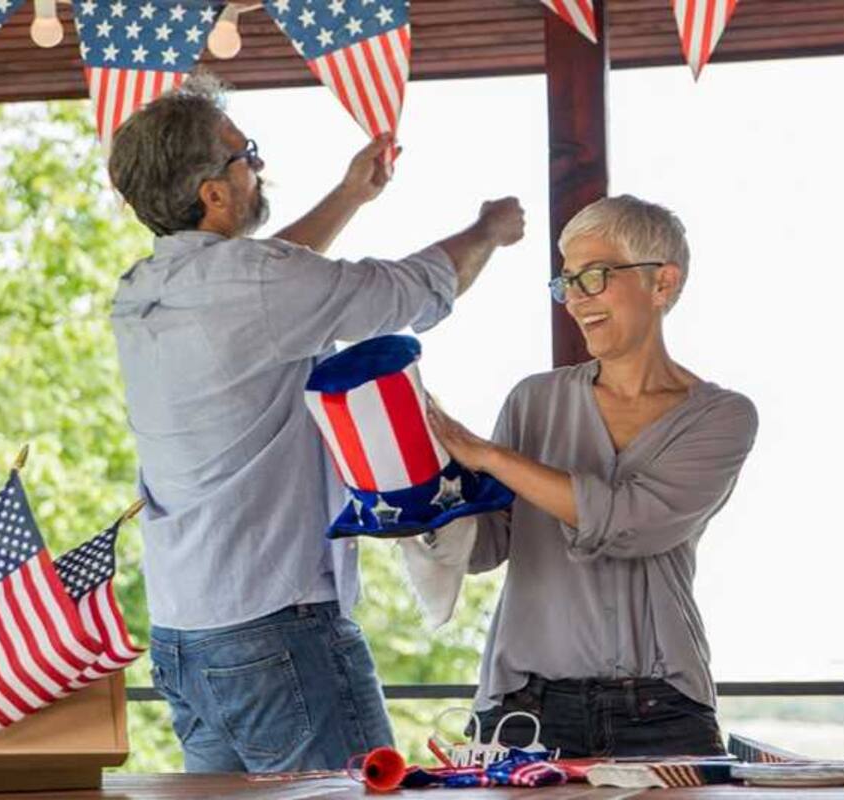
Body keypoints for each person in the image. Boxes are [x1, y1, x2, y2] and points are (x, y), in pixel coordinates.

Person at [105, 74, 525, 773]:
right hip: (280, 629)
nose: (259, 164)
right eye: (245, 155)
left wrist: (350, 196)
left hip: (184, 638)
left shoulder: (141, 291)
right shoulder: (259, 285)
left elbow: (266, 277)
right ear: (213, 194)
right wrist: (487, 232)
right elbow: (410, 291)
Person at [424, 195, 757, 758]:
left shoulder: (722, 416)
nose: (576, 298)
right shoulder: (533, 401)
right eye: (568, 282)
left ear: (662, 282)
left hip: (662, 711)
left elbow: (633, 524)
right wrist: (418, 497)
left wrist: (491, 457)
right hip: (523, 711)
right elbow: (487, 545)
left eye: (595, 276)